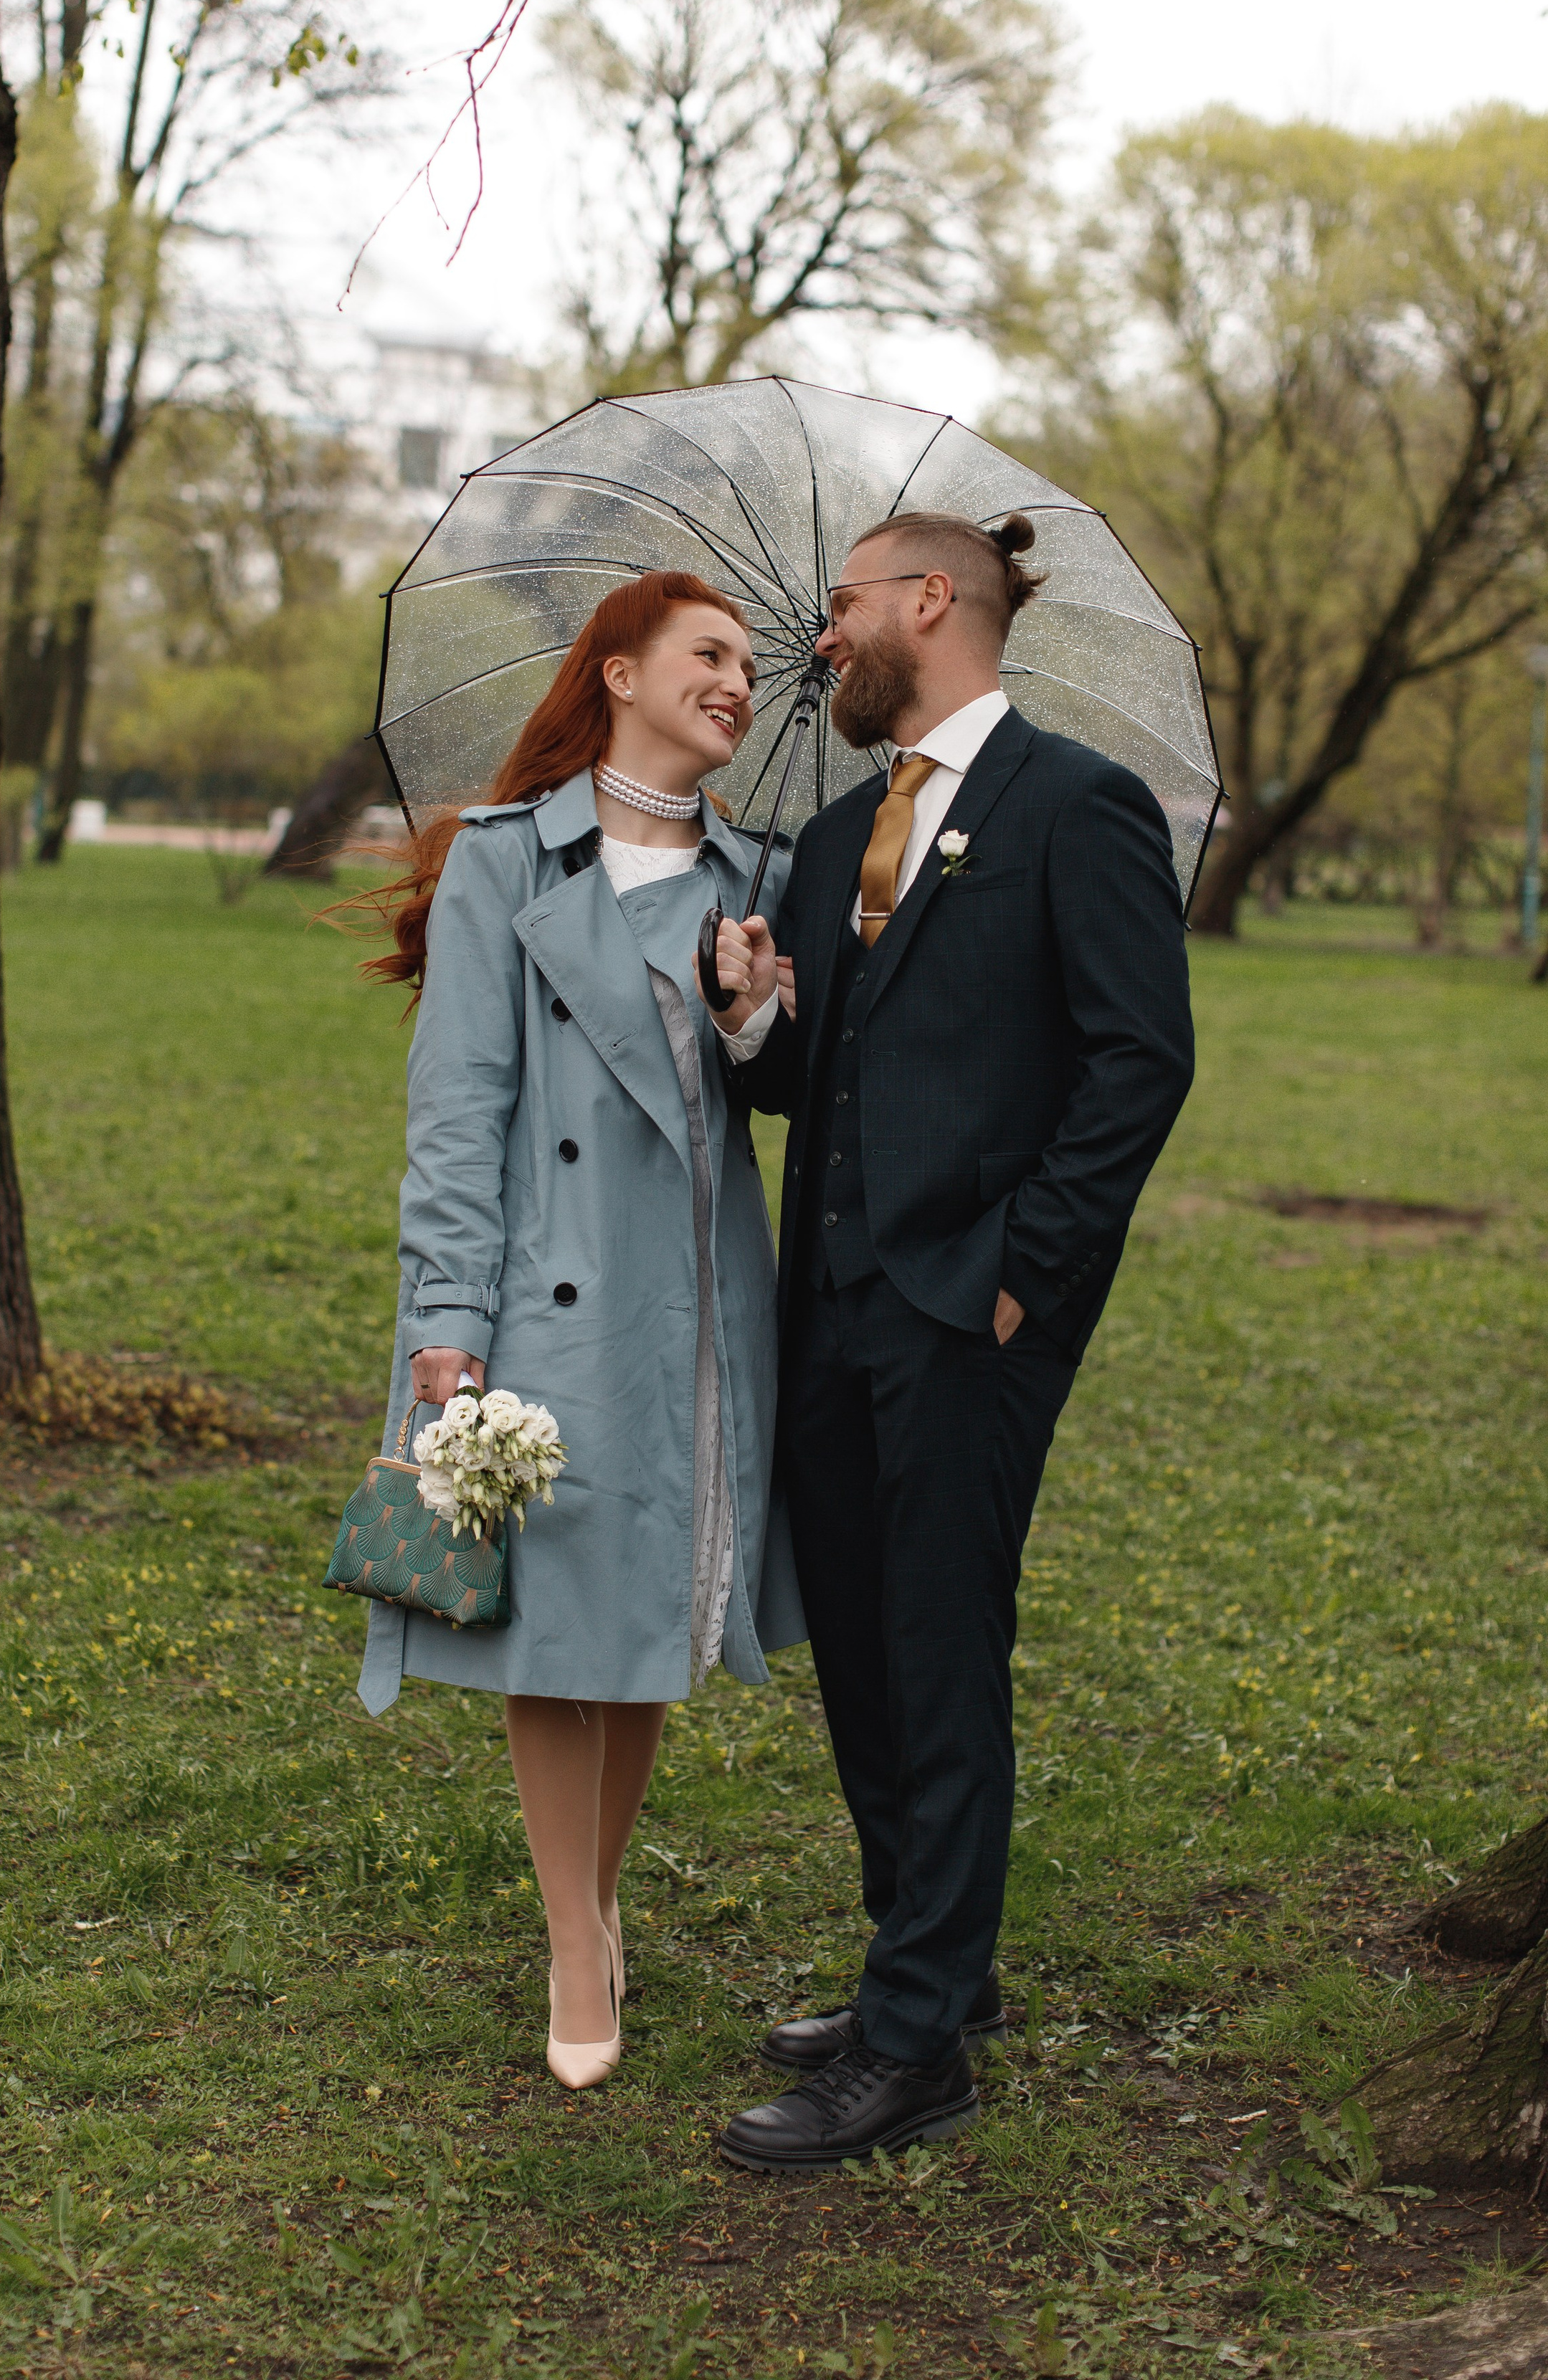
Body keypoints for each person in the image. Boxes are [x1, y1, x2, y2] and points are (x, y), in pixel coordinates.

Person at [701, 508, 1196, 2171]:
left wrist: (1019, 1275)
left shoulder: (1075, 807)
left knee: (935, 1641)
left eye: (839, 604)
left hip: (970, 1316)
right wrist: (754, 1018)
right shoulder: (842, 822)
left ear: (931, 601)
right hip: (827, 1306)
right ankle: (932, 1962)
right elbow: (803, 1084)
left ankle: (913, 2051)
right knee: (854, 1632)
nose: (819, 635)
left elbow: (1137, 1062)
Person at [358, 570, 804, 2092]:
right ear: (615, 673)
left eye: (751, 666)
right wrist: (443, 1317)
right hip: (546, 1290)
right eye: (707, 654)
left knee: (643, 1622)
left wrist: (751, 1013)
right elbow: (459, 1109)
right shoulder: (501, 866)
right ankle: (573, 1934)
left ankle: (597, 1900)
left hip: (688, 1297)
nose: (738, 682)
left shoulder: (759, 877)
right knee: (553, 1627)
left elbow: (774, 1090)